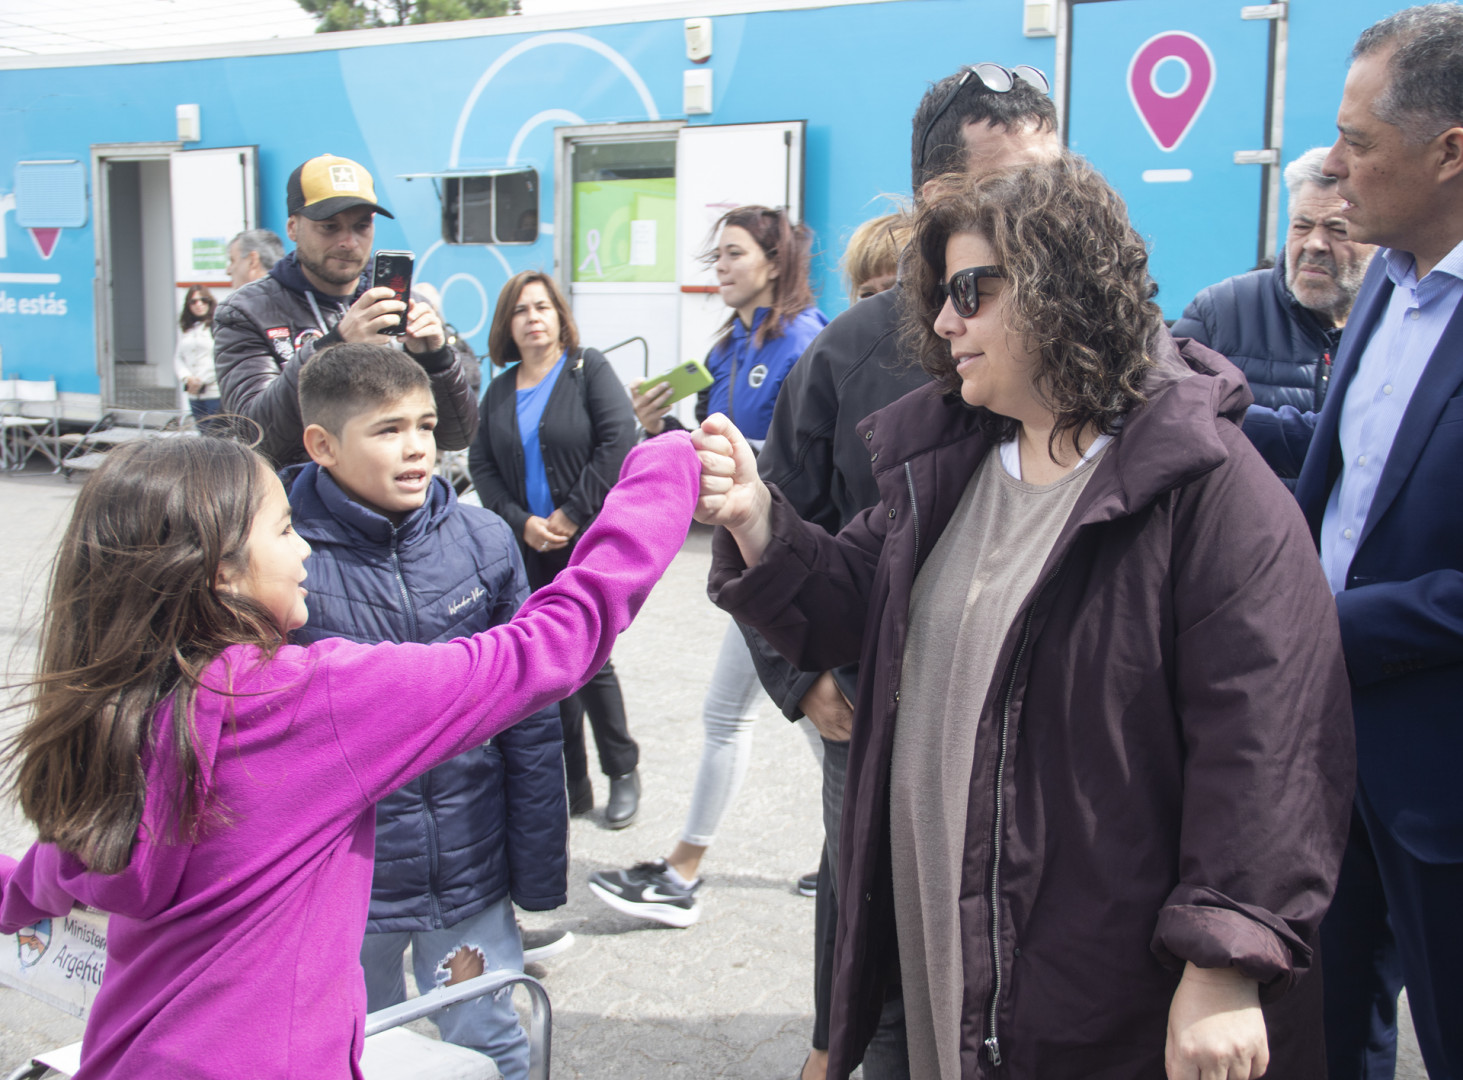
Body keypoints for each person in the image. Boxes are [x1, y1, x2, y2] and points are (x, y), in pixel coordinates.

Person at [697, 156, 1354, 1080]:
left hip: (1104, 987)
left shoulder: (1208, 491)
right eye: (939, 293)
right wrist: (758, 517)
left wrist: (1222, 962)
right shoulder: (950, 462)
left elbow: (1271, 744)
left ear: (1061, 286)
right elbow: (850, 601)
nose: (941, 321)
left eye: (971, 291)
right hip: (951, 955)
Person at [0, 428, 699, 1079]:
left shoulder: (125, 709)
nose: (304, 548)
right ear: (221, 571)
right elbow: (548, 647)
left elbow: (48, 875)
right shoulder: (305, 700)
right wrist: (666, 467)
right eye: (282, 529)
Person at [748, 67, 1063, 1080]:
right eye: (1008, 189)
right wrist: (800, 681)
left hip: (1037, 727)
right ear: (931, 202)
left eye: (1053, 182)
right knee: (873, 933)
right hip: (877, 718)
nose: (1039, 215)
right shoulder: (844, 355)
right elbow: (768, 527)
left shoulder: (1097, 346)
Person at [1240, 8, 1463, 1078]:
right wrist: (1200, 403)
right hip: (1326, 754)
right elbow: (1344, 474)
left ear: (1448, 150)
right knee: (1323, 1039)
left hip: (1440, 779)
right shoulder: (1386, 277)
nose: (1332, 165)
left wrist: (1333, 623)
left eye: (1357, 142)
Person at [285, 343, 565, 1078]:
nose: (416, 449)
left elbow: (527, 717)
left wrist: (536, 869)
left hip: (467, 873)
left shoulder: (481, 540)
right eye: (386, 430)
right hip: (345, 881)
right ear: (321, 445)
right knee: (361, 1046)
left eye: (426, 425)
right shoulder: (280, 553)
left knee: (494, 1038)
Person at [588, 205, 826, 925]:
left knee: (734, 717)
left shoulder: (808, 344)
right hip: (748, 558)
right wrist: (662, 425)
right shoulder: (729, 344)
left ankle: (683, 872)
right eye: (715, 256)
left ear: (774, 262)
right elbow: (716, 444)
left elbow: (795, 460)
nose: (717, 268)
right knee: (824, 722)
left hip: (784, 558)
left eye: (732, 255)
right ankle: (857, 844)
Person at [468, 271, 640, 826]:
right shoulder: (498, 390)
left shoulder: (587, 369)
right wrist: (522, 523)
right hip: (529, 548)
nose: (533, 317)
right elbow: (482, 467)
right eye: (521, 310)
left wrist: (568, 515)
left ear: (559, 314)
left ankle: (622, 770)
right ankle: (574, 786)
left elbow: (618, 442)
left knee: (594, 660)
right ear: (507, 325)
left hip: (583, 541)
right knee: (549, 666)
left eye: (542, 306)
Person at [213, 153, 476, 467]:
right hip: (299, 509)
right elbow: (254, 434)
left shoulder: (407, 303)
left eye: (361, 226)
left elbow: (457, 436)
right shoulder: (246, 310)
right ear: (293, 228)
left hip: (395, 505)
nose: (349, 242)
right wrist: (334, 345)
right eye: (329, 227)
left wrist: (435, 358)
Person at [1173, 147, 1376, 423]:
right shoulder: (1220, 311)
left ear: (1377, 240)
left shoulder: (1400, 317)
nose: (1314, 244)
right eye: (1301, 227)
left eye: (1338, 230)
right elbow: (1171, 417)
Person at [173, 285, 221, 426]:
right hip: (194, 394)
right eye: (193, 302)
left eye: (203, 300)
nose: (198, 304)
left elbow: (221, 357)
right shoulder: (187, 329)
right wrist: (186, 378)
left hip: (214, 392)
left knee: (217, 436)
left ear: (210, 302)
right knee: (202, 435)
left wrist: (201, 380)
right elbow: (178, 357)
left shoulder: (216, 325)